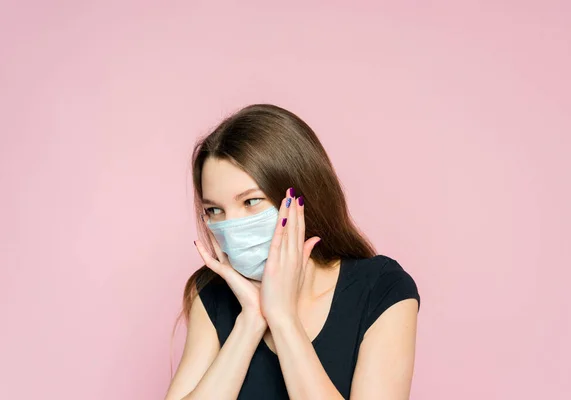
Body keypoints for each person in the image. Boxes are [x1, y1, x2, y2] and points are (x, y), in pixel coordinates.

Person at [164, 104, 420, 399]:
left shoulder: (381, 289)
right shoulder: (211, 294)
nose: (231, 225)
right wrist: (250, 321)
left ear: (301, 195)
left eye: (250, 202)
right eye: (214, 210)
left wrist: (283, 318)